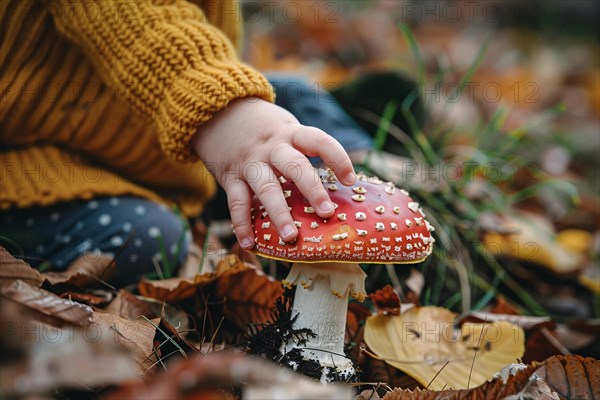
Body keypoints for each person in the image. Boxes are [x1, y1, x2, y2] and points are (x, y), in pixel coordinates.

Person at [0, 0, 364, 285]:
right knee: (151, 236)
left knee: (295, 94)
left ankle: (364, 173)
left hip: (173, 139)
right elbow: (138, 22)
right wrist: (221, 109)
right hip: (42, 166)